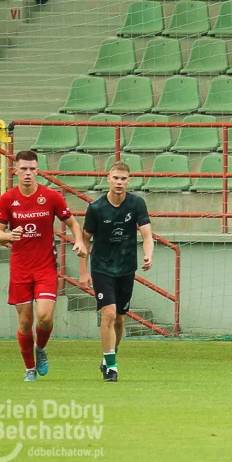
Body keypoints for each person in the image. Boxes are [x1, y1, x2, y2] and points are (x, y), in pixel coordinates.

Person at [0, 150, 87, 382]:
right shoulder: (7, 199)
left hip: (45, 267)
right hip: (20, 268)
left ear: (38, 171)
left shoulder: (51, 196)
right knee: (25, 322)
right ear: (15, 170)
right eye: (23, 169)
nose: (28, 173)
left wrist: (78, 240)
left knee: (44, 317)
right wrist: (8, 236)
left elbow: (73, 223)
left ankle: (41, 349)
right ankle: (29, 369)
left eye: (32, 169)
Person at [79, 162, 153, 382]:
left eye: (123, 179)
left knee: (120, 319)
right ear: (108, 179)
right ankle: (111, 368)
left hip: (126, 267)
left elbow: (147, 234)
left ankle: (109, 355)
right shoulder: (96, 208)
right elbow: (85, 239)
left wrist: (148, 255)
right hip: (102, 267)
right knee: (109, 313)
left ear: (128, 181)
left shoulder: (137, 203)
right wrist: (84, 272)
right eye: (116, 178)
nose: (119, 182)